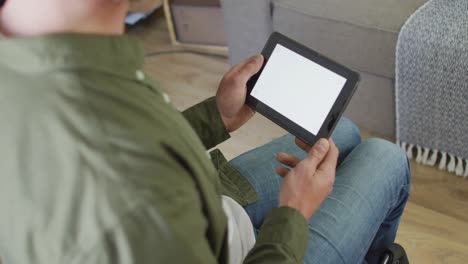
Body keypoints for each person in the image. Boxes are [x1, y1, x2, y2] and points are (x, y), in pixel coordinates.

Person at [0, 0, 411, 263]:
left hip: (215, 205)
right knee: (386, 159)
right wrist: (293, 213)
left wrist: (217, 116)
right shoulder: (123, 202)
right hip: (254, 251)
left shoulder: (46, 61)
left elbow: (152, 153)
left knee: (343, 133)